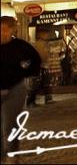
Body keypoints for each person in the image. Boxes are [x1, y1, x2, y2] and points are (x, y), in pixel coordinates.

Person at [1, 16, 41, 157]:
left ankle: (12, 153)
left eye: (5, 30)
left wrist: (26, 73)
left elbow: (35, 60)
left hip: (15, 89)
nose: (2, 33)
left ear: (12, 30)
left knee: (11, 123)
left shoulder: (20, 46)